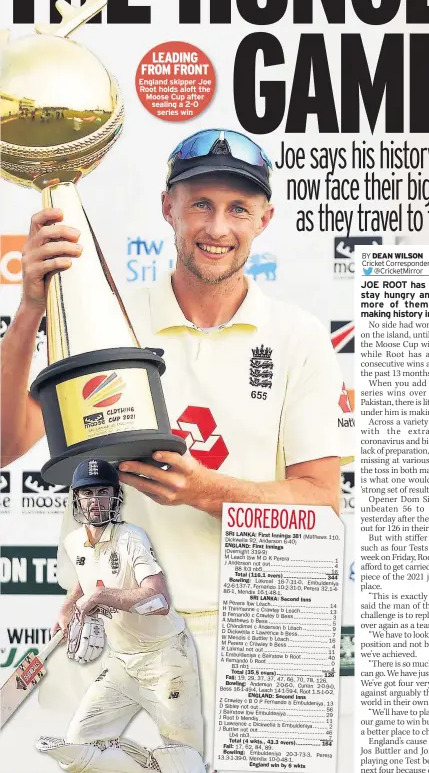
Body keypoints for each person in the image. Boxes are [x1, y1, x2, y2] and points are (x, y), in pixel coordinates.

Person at [1, 128, 343, 763]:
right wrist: (27, 312)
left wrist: (210, 492)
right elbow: (6, 444)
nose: (217, 226)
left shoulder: (298, 338)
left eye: (239, 208)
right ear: (168, 209)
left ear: (264, 219)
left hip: (248, 648)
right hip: (106, 644)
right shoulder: (109, 313)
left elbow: (321, 505)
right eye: (200, 204)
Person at [38, 457, 204, 773]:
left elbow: (158, 597)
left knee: (186, 763)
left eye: (103, 492)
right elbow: (85, 577)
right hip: (123, 664)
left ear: (116, 497)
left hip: (167, 660)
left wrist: (100, 597)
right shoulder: (75, 542)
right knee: (80, 748)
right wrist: (68, 606)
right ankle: (141, 762)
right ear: (77, 498)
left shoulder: (131, 538)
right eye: (87, 493)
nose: (95, 501)